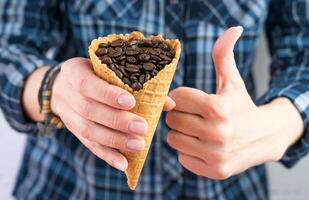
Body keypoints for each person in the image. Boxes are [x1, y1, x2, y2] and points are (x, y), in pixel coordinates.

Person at [0, 0, 308, 199]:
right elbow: (7, 47)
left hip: (230, 189)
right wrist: (52, 89)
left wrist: (274, 127)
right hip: (73, 185)